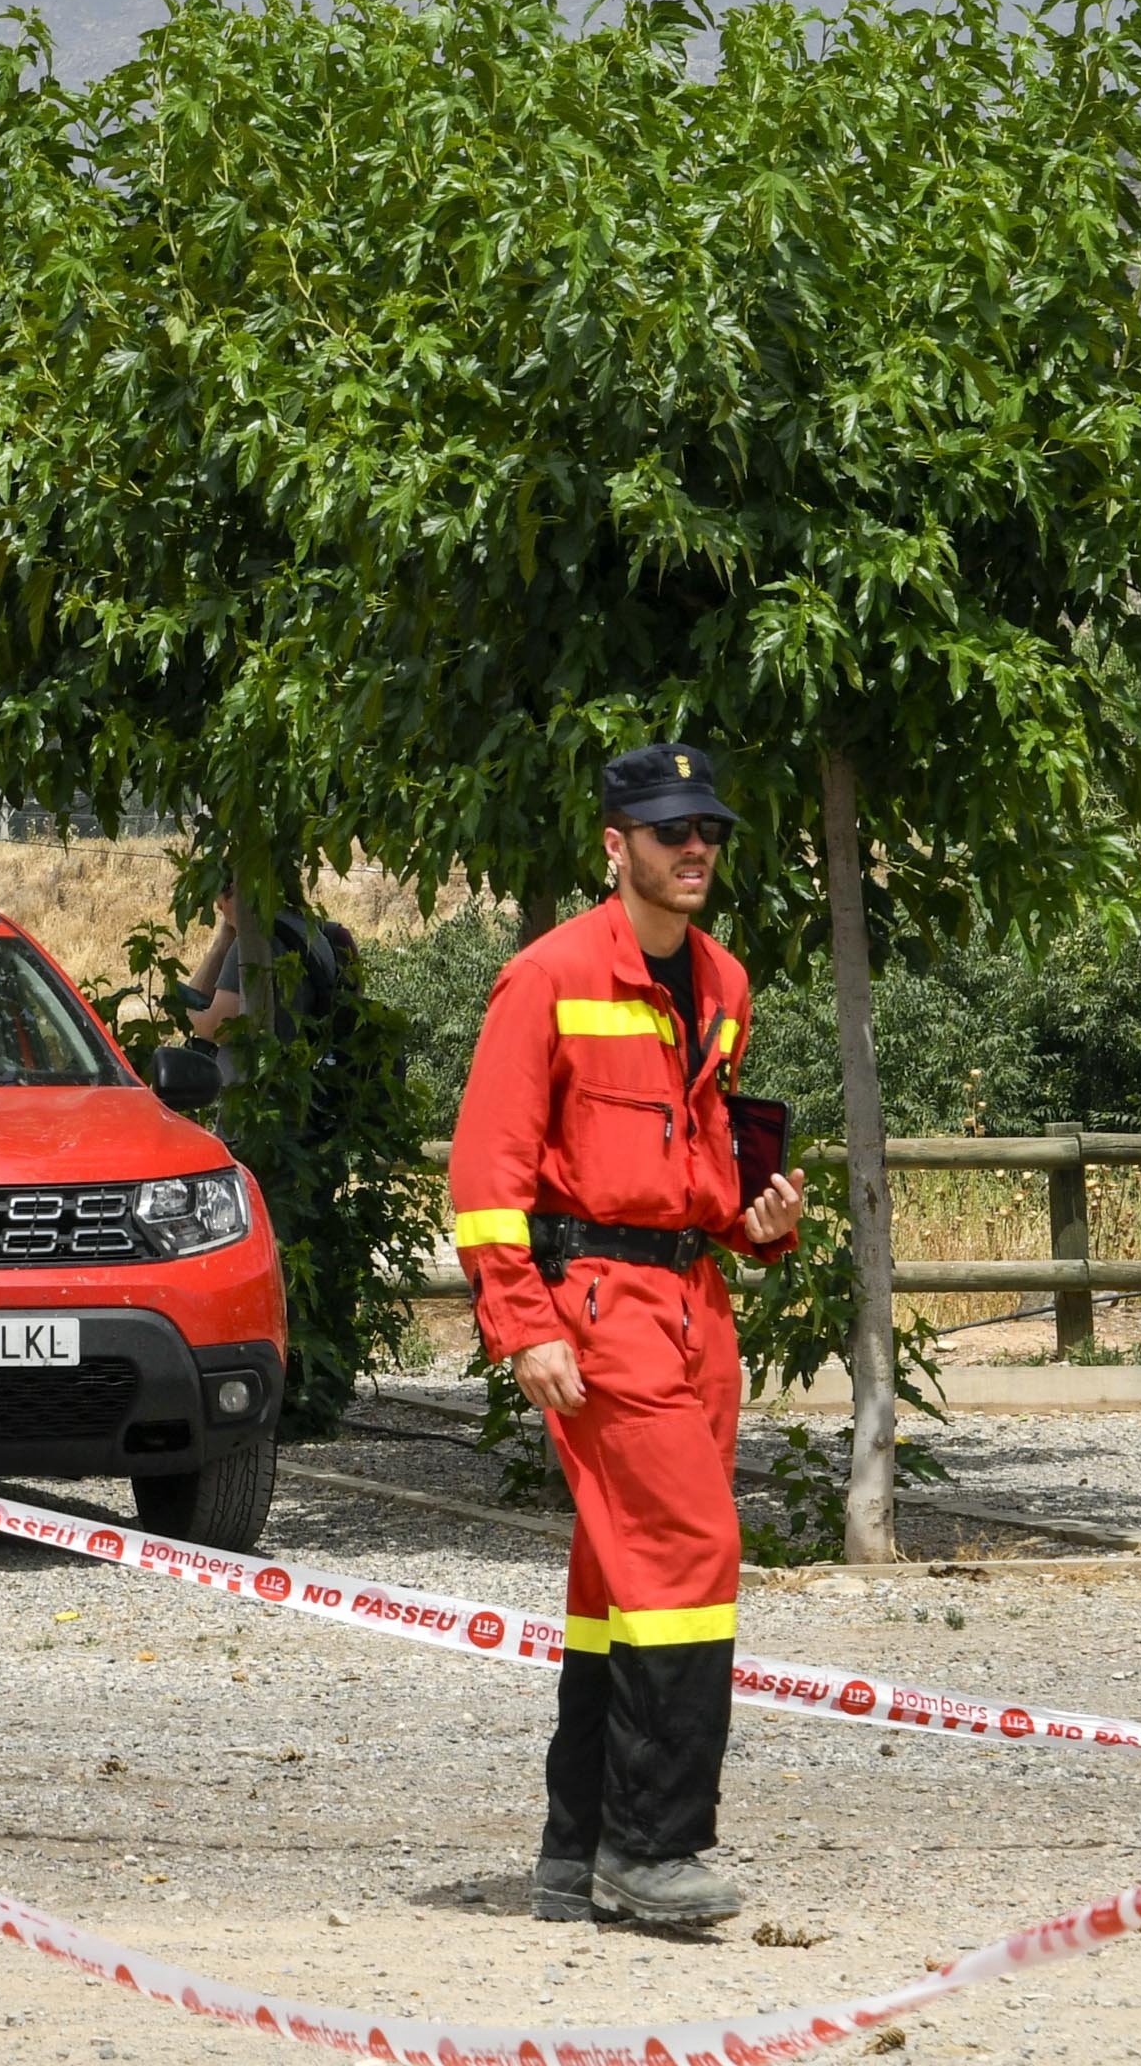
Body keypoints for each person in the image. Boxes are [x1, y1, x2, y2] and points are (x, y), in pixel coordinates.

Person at [442, 740, 807, 1937]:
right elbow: (485, 1176)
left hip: (694, 1307)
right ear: (616, 845)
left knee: (618, 1580)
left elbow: (699, 1170)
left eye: (707, 829)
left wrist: (759, 1223)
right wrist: (522, 1322)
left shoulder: (727, 985)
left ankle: (577, 1851)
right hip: (598, 1311)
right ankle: (657, 1850)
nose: (693, 848)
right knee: (690, 1553)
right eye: (667, 831)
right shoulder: (544, 978)